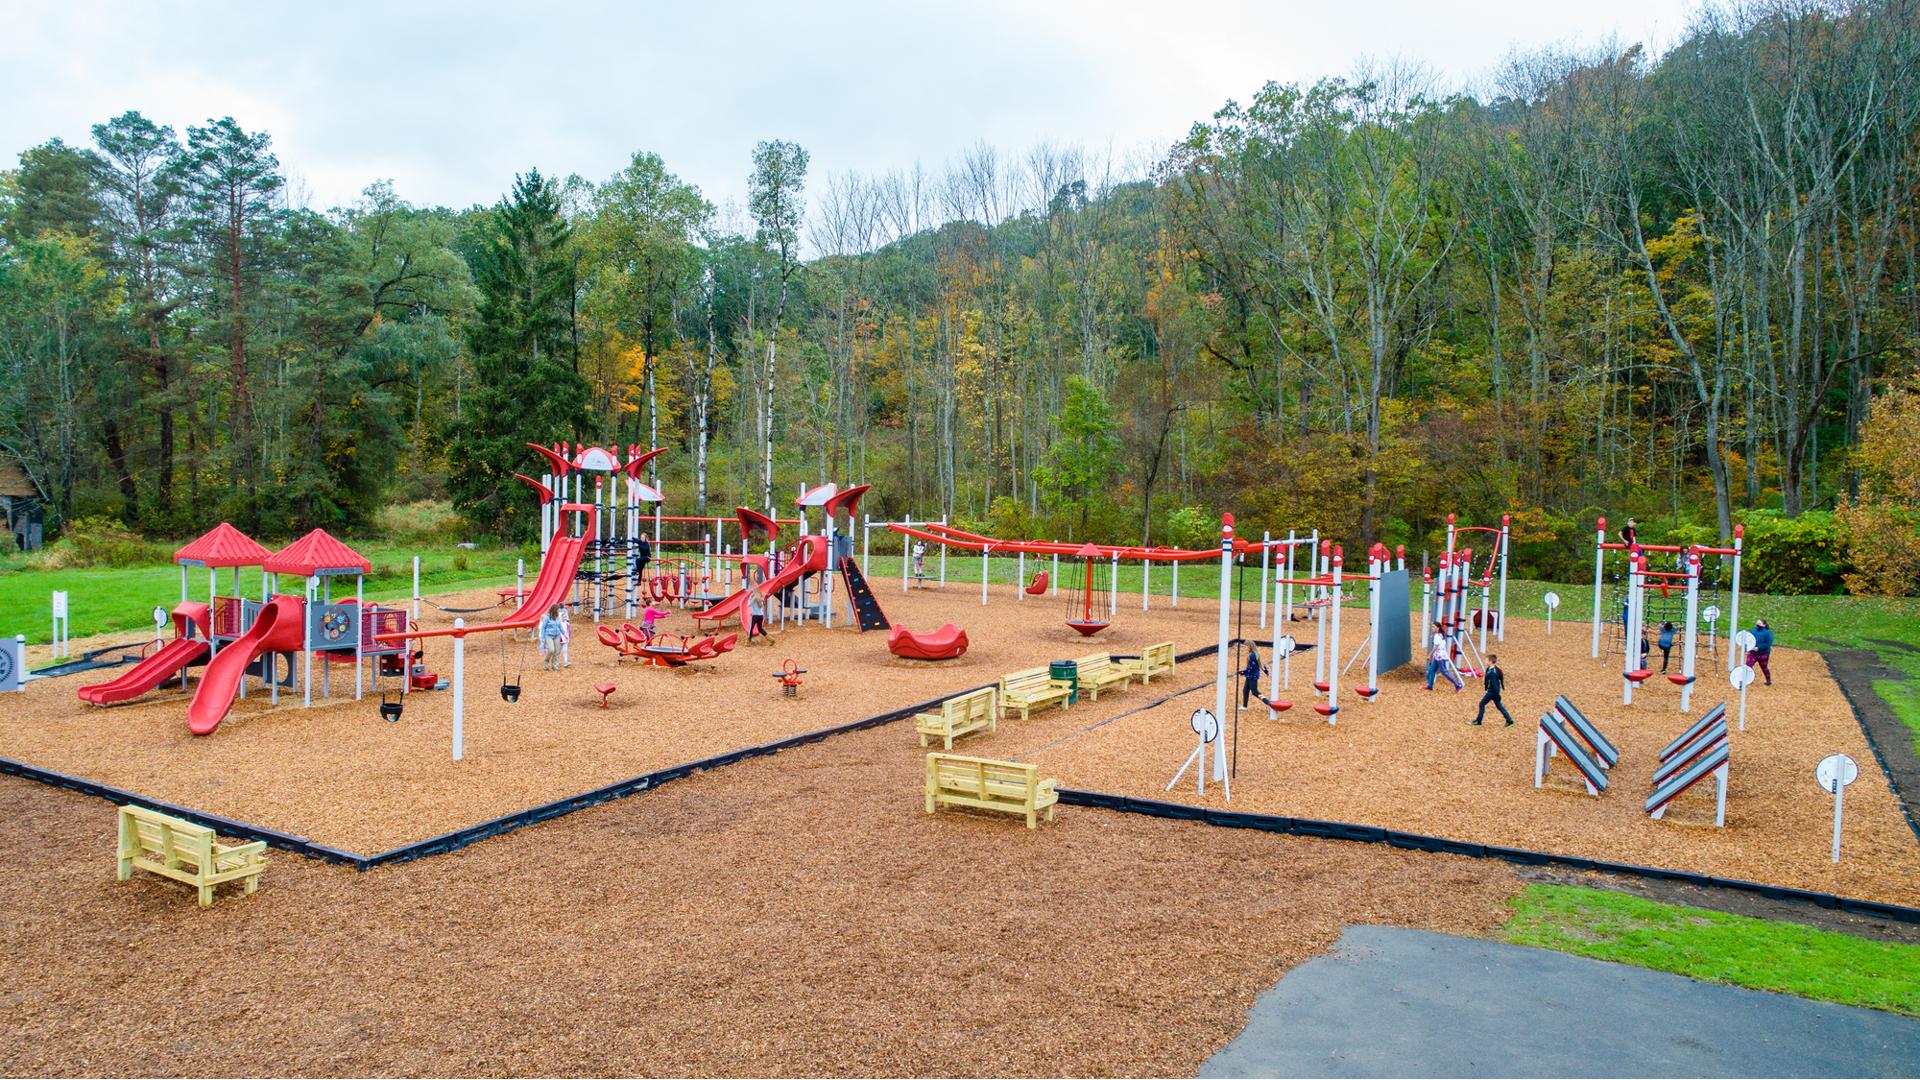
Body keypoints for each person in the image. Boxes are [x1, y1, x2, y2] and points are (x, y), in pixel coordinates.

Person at [1472, 654, 1513, 727]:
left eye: (1486, 660)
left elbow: (1495, 684)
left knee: (1482, 704)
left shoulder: (1493, 672)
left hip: (1492, 692)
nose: (1485, 661)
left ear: (1490, 661)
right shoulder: (1489, 669)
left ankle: (1479, 721)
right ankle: (1509, 720)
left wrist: (1495, 694)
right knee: (1499, 706)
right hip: (1492, 691)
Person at [1425, 622, 1463, 691]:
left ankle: (1458, 685)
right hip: (1438, 655)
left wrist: (1429, 655)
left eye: (1433, 627)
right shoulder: (1440, 634)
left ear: (1438, 628)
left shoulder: (1437, 636)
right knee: (1432, 670)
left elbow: (1435, 647)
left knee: (1444, 671)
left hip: (1440, 656)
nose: (1432, 628)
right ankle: (1430, 685)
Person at [537, 605, 566, 671]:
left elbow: (560, 626)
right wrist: (543, 637)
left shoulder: (557, 617)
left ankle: (555, 666)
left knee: (557, 651)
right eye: (558, 610)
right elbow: (543, 628)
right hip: (549, 635)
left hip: (557, 635)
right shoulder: (547, 617)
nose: (559, 611)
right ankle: (546, 662)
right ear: (554, 610)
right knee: (551, 650)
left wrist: (564, 634)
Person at [1747, 618, 1774, 685]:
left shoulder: (1767, 633)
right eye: (1757, 623)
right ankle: (1749, 679)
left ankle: (1768, 680)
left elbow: (1768, 643)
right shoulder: (1753, 631)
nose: (1757, 625)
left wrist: (1759, 648)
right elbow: (1749, 639)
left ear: (1764, 625)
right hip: (1753, 653)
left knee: (1764, 667)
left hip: (1763, 654)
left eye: (1759, 623)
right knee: (1748, 666)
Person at [1239, 646, 1264, 710]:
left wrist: (1242, 672)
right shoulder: (1253, 654)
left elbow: (1250, 669)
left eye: (1248, 647)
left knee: (1255, 692)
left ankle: (1268, 702)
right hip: (1250, 676)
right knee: (1245, 690)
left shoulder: (1252, 656)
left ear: (1250, 648)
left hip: (1252, 676)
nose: (1247, 648)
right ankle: (1244, 706)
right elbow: (1260, 665)